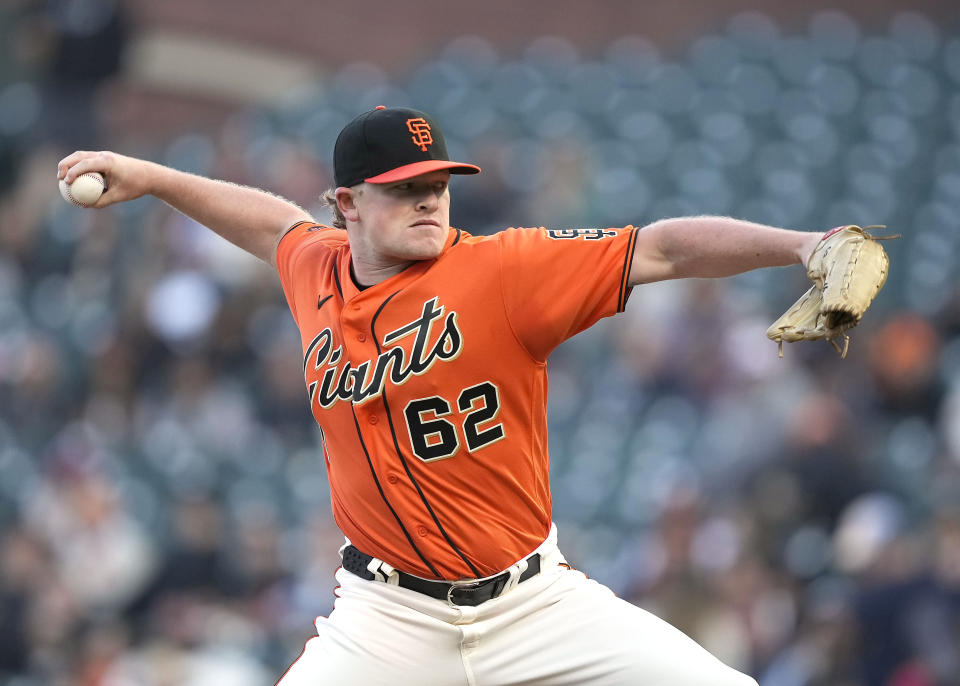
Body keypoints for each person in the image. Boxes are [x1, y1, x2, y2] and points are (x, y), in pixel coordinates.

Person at [59, 106, 824, 685]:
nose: (430, 201)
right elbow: (271, 225)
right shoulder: (316, 268)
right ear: (347, 205)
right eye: (404, 190)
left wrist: (800, 246)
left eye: (438, 185)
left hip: (532, 605)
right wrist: (153, 178)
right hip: (387, 616)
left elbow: (660, 247)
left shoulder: (503, 272)